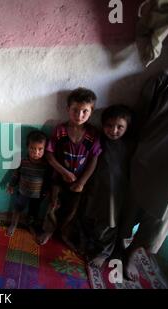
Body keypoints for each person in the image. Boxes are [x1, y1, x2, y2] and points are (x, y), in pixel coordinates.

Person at [119, 48, 168, 281]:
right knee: (130, 207)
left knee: (161, 219)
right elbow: (140, 117)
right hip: (149, 158)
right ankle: (118, 247)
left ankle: (132, 253)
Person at [63, 104, 133, 267]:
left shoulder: (129, 146)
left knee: (108, 224)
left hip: (113, 196)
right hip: (93, 189)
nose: (113, 130)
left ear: (127, 127)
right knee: (87, 217)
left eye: (119, 127)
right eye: (109, 125)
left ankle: (104, 253)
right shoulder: (96, 140)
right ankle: (87, 245)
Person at [38, 87, 102, 245]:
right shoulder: (59, 131)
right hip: (58, 179)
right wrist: (63, 171)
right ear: (68, 109)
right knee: (53, 205)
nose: (79, 115)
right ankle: (49, 230)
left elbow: (94, 159)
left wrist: (82, 182)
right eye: (75, 110)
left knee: (73, 210)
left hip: (79, 183)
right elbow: (49, 154)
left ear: (91, 111)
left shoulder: (93, 134)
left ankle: (65, 233)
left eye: (85, 111)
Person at [6, 130, 51, 238]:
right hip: (23, 192)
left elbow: (48, 179)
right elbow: (16, 174)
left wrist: (48, 191)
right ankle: (13, 224)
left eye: (40, 149)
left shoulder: (46, 164)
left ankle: (30, 225)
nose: (36, 153)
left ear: (45, 149)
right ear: (27, 147)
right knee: (17, 208)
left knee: (33, 212)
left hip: (38, 195)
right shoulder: (23, 161)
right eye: (32, 148)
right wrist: (11, 185)